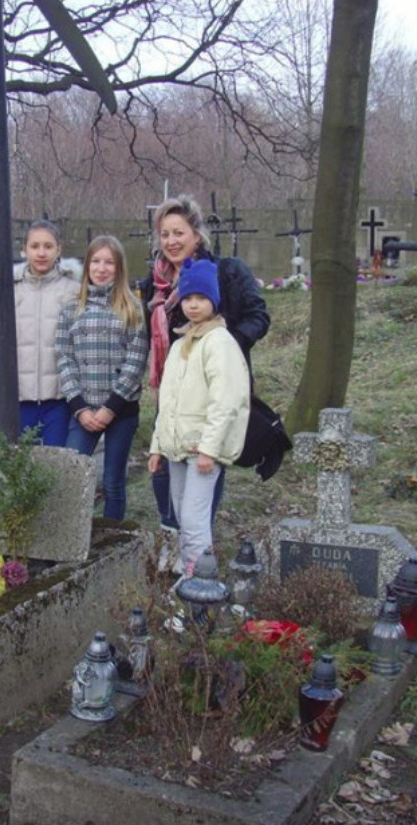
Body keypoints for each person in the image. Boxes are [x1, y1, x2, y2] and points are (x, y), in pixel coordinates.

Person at [138, 195, 270, 542]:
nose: (171, 242)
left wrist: (221, 348)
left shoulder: (225, 273)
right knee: (164, 471)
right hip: (171, 392)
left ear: (197, 234)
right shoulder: (155, 283)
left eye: (178, 232)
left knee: (202, 467)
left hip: (212, 390)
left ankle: (197, 548)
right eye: (164, 234)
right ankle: (173, 541)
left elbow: (259, 316)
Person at [147, 258, 250, 576]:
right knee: (180, 514)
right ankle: (189, 583)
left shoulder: (219, 342)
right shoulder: (180, 345)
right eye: (188, 298)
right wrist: (157, 446)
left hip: (201, 450)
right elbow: (169, 402)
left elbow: (226, 400)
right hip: (178, 447)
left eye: (201, 299)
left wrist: (210, 448)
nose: (193, 305)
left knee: (194, 520)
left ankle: (202, 587)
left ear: (213, 301)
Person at [55, 235, 149, 520]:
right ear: (87, 266)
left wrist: (111, 408)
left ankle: (111, 538)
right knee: (71, 477)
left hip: (120, 410)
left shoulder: (132, 307)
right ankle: (71, 536)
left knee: (112, 482)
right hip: (83, 410)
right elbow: (64, 357)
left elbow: (136, 360)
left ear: (119, 268)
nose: (102, 268)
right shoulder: (71, 309)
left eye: (109, 262)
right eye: (96, 261)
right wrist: (80, 408)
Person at [13, 219, 81, 446]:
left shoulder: (73, 290)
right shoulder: (11, 288)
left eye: (48, 246)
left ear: (58, 249)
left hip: (59, 398)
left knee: (55, 464)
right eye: (35, 246)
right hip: (20, 398)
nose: (41, 253)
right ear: (24, 249)